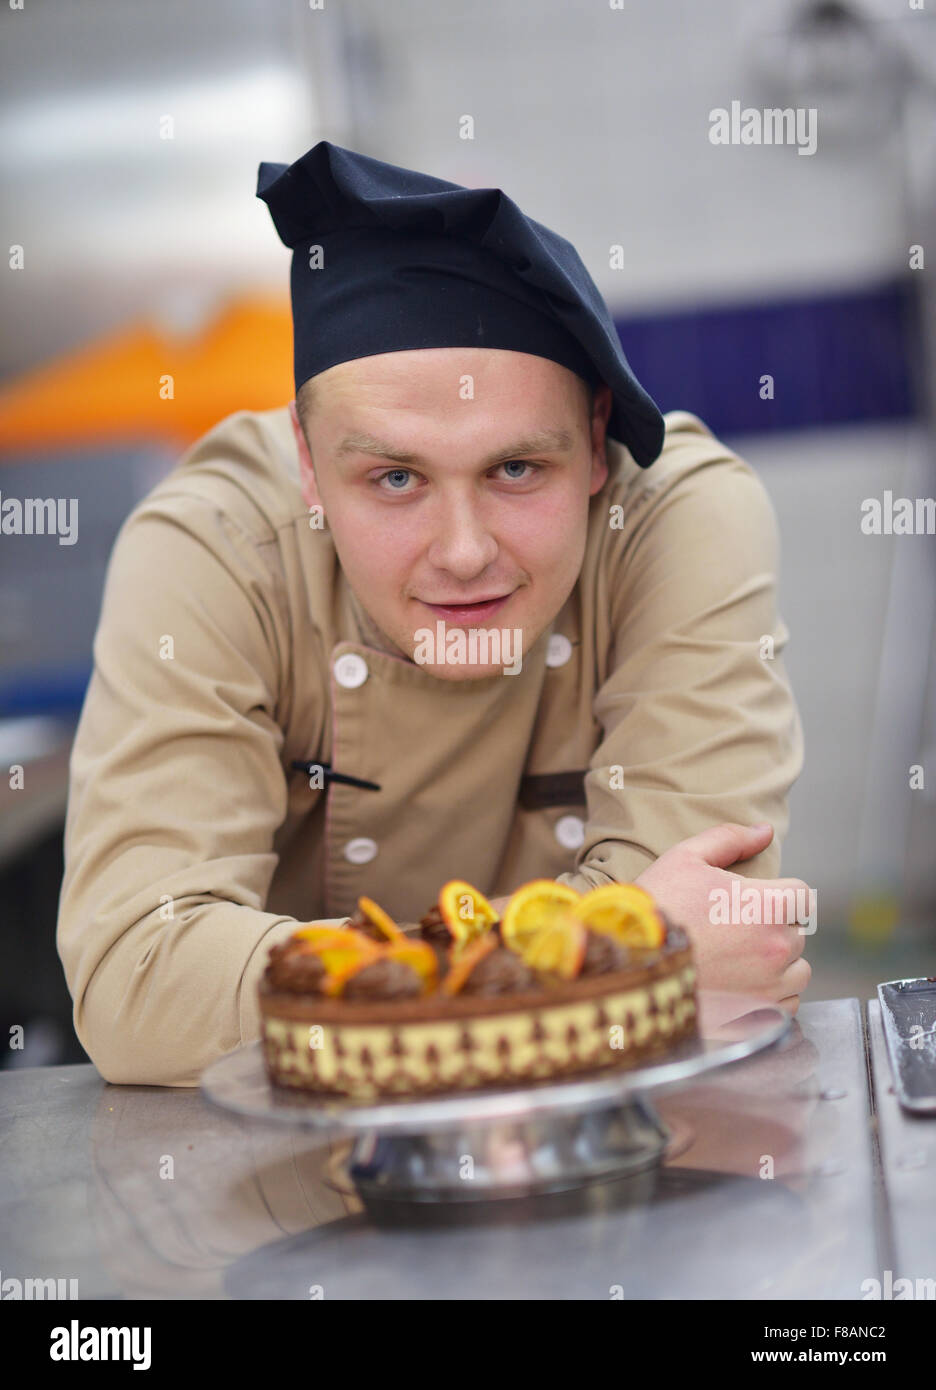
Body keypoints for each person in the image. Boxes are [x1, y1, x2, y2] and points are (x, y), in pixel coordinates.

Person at [57, 142, 810, 1087]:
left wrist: (348, 990)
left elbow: (724, 927)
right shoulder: (214, 544)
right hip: (295, 1183)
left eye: (515, 469)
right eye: (396, 478)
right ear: (306, 463)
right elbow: (141, 982)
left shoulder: (673, 518)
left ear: (591, 441)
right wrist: (608, 947)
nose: (463, 552)